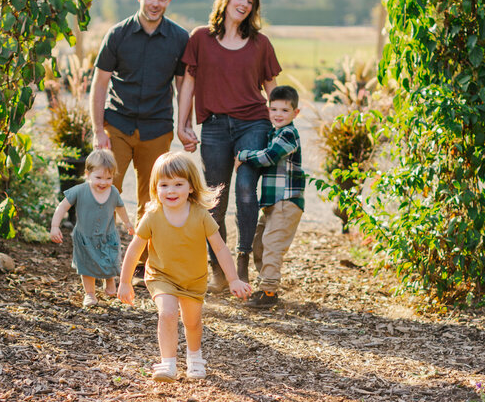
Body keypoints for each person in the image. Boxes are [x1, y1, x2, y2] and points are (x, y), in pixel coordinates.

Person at [177, 0, 281, 293]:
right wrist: (182, 125)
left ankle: (243, 261)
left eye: (250, 1)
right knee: (214, 200)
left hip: (254, 122)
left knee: (247, 189)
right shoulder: (200, 38)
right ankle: (218, 270)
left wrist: (282, 124)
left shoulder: (260, 43)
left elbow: (271, 88)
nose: (245, 4)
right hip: (216, 127)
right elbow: (189, 85)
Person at [90, 0, 192, 285]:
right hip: (117, 125)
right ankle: (100, 263)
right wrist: (98, 130)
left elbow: (183, 87)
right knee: (105, 194)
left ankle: (141, 265)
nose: (155, 3)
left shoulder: (179, 38)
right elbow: (100, 84)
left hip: (156, 127)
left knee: (153, 199)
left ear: (169, 0)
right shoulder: (118, 34)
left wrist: (184, 126)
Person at [117, 152, 251, 382]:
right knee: (168, 313)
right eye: (164, 185)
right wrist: (125, 281)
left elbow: (219, 248)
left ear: (190, 187)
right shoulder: (152, 216)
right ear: (156, 187)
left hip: (193, 279)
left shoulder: (200, 215)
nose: (171, 191)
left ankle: (195, 357)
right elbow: (134, 250)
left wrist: (234, 279)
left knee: (192, 322)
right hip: (161, 275)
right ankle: (168, 363)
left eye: (178, 184)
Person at [235, 85, 305, 308]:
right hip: (274, 202)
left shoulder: (288, 134)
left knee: (272, 245)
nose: (278, 114)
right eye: (273, 109)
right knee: (260, 243)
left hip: (286, 201)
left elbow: (269, 157)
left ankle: (269, 292)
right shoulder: (275, 133)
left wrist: (244, 155)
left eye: (284, 110)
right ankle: (265, 286)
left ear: (296, 113)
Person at [50, 149, 135, 308]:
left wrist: (127, 223)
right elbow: (62, 207)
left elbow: (120, 208)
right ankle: (90, 294)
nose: (103, 182)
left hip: (107, 235)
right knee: (87, 266)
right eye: (99, 178)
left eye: (109, 178)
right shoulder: (79, 191)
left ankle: (109, 279)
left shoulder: (113, 192)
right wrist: (55, 226)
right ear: (87, 174)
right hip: (85, 238)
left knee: (109, 260)